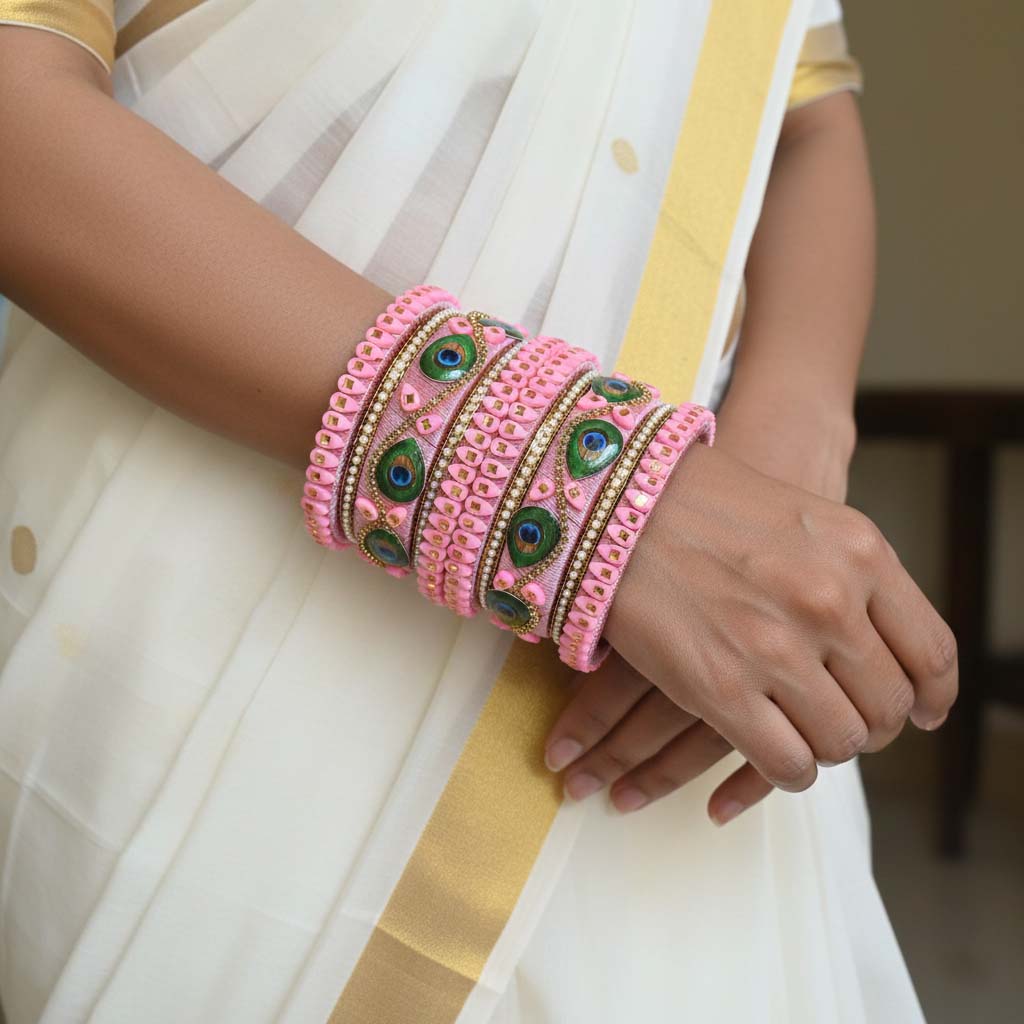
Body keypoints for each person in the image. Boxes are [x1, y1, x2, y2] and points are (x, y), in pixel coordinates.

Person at [0, 2, 957, 1022]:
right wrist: (601, 499)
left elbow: (805, 118)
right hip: (199, 646)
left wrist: (783, 469)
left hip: (695, 666)